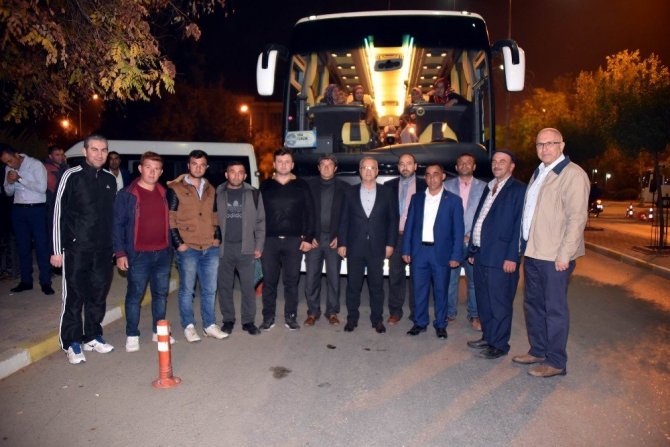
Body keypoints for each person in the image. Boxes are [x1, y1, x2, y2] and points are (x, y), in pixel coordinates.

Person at [513, 128, 589, 377]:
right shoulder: (539, 172)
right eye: (540, 144)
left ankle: (556, 361)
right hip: (534, 252)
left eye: (550, 143)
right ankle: (538, 350)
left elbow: (577, 218)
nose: (544, 148)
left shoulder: (573, 174)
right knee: (533, 305)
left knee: (554, 309)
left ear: (562, 146)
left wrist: (565, 254)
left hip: (555, 256)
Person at [51, 134, 117, 365]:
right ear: (85, 151)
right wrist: (56, 249)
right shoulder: (71, 176)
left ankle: (92, 335)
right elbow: (58, 212)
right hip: (76, 249)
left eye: (103, 150)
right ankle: (71, 342)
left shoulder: (110, 179)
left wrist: (114, 246)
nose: (99, 154)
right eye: (94, 149)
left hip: (103, 250)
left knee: (98, 294)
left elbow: (112, 216)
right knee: (74, 296)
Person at [466, 150, 526, 359]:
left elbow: (520, 225)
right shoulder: (489, 186)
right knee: (484, 300)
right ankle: (488, 337)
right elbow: (480, 219)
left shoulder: (518, 190)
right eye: (494, 161)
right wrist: (473, 249)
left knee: (499, 303)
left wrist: (513, 256)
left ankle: (499, 345)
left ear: (512, 166)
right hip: (482, 254)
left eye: (503, 161)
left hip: (502, 258)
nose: (497, 164)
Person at [113, 151, 174, 352]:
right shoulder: (127, 194)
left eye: (156, 169)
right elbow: (117, 225)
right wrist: (120, 253)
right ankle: (132, 334)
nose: (152, 172)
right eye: (148, 167)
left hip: (162, 253)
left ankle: (158, 331)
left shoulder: (164, 192)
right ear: (140, 168)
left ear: (161, 172)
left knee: (160, 294)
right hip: (138, 255)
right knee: (135, 295)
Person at [168, 150, 228, 342]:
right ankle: (189, 326)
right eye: (194, 164)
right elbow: (171, 218)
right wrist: (178, 243)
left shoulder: (211, 189)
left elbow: (215, 216)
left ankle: (209, 325)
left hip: (210, 247)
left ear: (206, 167)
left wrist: (217, 237)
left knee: (210, 289)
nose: (198, 167)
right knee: (187, 290)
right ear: (188, 165)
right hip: (188, 247)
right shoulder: (176, 188)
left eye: (202, 165)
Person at [402, 164, 463, 339]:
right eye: (428, 175)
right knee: (419, 290)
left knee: (441, 291)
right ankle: (420, 322)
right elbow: (409, 225)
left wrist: (456, 255)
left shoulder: (453, 200)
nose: (431, 178)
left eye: (436, 174)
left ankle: (441, 324)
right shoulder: (417, 198)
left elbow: (458, 230)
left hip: (441, 253)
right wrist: (406, 249)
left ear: (443, 176)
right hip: (419, 252)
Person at [338, 157, 398, 334]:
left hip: (377, 247)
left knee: (377, 286)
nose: (368, 171)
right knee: (353, 286)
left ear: (377, 171)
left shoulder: (387, 192)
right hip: (354, 246)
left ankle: (377, 320)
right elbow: (344, 219)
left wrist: (390, 244)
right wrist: (342, 243)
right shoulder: (349, 192)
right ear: (360, 171)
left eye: (372, 168)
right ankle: (352, 319)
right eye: (365, 167)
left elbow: (392, 221)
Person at [259, 148, 315, 331]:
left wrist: (308, 237)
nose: (283, 165)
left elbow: (310, 213)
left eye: (287, 162)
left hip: (294, 241)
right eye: (280, 162)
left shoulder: (302, 185)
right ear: (274, 164)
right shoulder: (265, 186)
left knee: (291, 281)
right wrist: (257, 240)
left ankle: (291, 317)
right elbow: (257, 215)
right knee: (269, 282)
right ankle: (268, 317)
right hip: (269, 241)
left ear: (292, 165)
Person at [216, 161, 265, 336]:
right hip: (223, 249)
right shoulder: (217, 194)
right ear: (226, 174)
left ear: (245, 175)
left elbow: (261, 222)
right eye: (232, 171)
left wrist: (259, 245)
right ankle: (228, 320)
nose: (236, 175)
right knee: (224, 287)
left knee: (248, 288)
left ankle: (248, 321)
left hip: (247, 248)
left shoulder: (254, 194)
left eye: (240, 172)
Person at [1, 144, 53, 295]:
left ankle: (45, 282)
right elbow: (8, 192)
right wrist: (10, 183)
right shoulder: (8, 169)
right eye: (6, 163)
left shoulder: (35, 165)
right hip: (18, 210)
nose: (9, 164)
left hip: (36, 209)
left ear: (17, 155)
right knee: (22, 246)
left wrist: (19, 179)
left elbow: (42, 188)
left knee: (41, 246)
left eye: (10, 160)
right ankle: (26, 281)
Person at [304, 154, 348, 327]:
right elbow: (303, 212)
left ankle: (332, 312)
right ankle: (312, 312)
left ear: (335, 168)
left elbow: (347, 216)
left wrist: (341, 238)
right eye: (323, 164)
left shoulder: (345, 188)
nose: (327, 167)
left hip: (334, 240)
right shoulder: (308, 186)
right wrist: (307, 236)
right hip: (314, 239)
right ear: (318, 167)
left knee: (334, 279)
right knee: (311, 279)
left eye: (330, 165)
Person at [444, 153, 487, 329]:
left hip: (473, 242)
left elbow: (485, 215)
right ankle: (449, 313)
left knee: (474, 282)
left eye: (468, 162)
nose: (464, 165)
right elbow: (442, 215)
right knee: (449, 280)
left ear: (474, 167)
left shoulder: (484, 187)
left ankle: (474, 315)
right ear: (456, 167)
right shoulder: (446, 186)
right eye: (461, 162)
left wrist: (472, 236)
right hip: (451, 242)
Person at [385, 153, 426, 325]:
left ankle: (416, 313)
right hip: (396, 237)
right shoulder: (388, 186)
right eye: (402, 164)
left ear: (415, 166)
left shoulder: (425, 185)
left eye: (409, 163)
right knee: (395, 275)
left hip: (417, 238)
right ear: (398, 167)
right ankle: (395, 312)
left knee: (417, 277)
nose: (405, 167)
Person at [43, 145, 68, 266]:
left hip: (65, 207)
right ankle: (53, 264)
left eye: (62, 154)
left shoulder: (64, 167)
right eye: (57, 155)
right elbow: (55, 187)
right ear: (50, 156)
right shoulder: (47, 168)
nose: (60, 157)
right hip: (52, 208)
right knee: (54, 237)